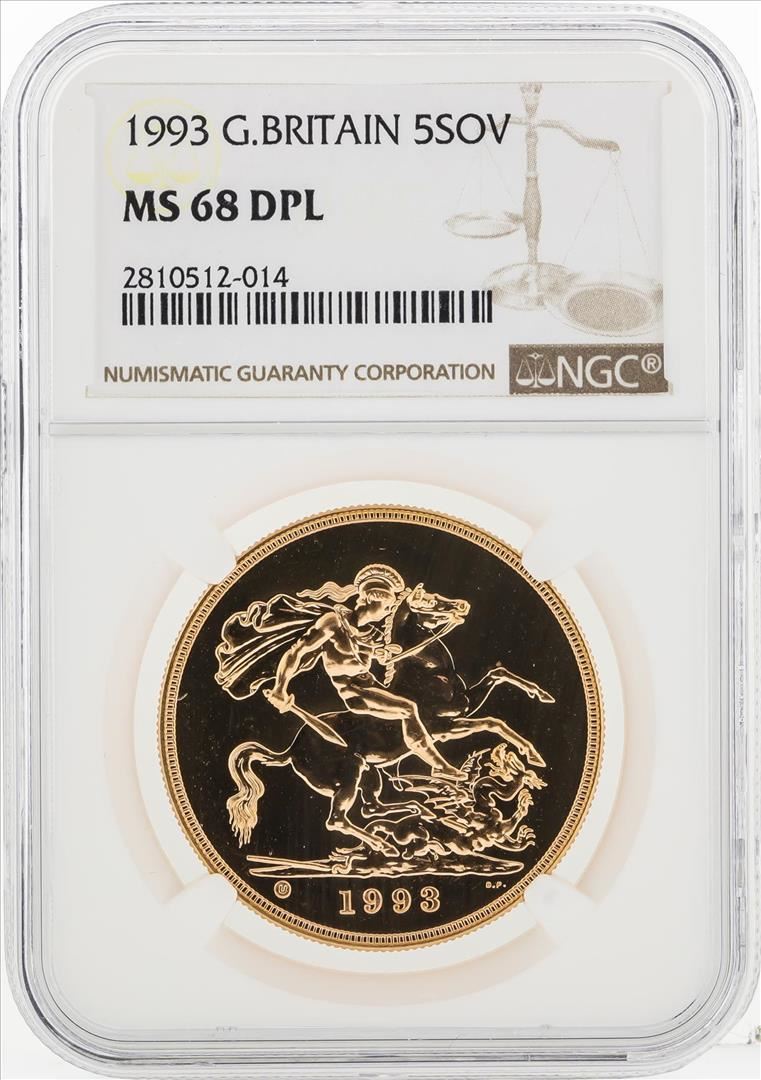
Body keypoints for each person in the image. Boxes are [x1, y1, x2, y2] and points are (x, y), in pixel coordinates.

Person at [263, 564, 463, 780]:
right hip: (354, 691)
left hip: (372, 685)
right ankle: (438, 765)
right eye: (387, 606)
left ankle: (430, 755)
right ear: (371, 599)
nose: (389, 611)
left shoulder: (371, 634)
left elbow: (383, 653)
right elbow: (297, 651)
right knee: (408, 709)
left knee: (418, 707)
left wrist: (386, 652)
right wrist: (280, 687)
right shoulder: (333, 623)